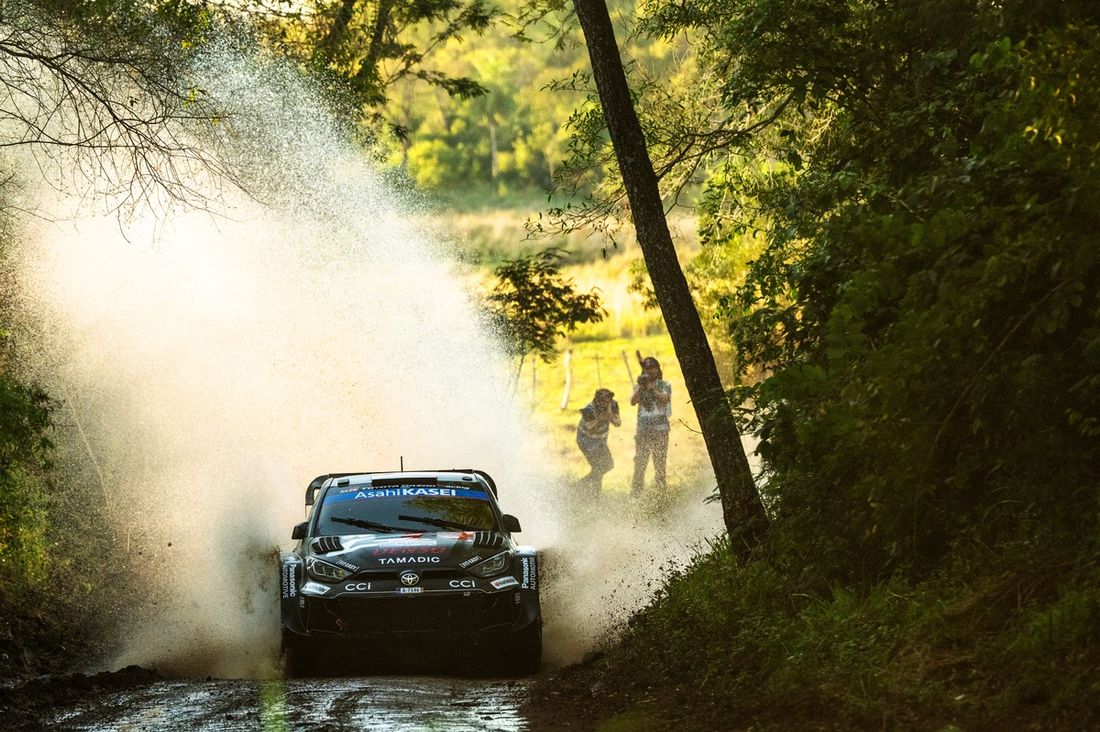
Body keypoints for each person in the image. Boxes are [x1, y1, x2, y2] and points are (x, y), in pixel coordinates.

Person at [630, 356, 671, 494]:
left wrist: (652, 388)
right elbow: (632, 401)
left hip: (661, 430)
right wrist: (642, 387)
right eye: (647, 368)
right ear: (644, 370)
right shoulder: (638, 387)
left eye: (653, 367)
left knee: (660, 464)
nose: (651, 371)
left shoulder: (664, 384)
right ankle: (636, 493)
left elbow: (664, 399)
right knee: (640, 463)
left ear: (658, 369)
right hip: (643, 430)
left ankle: (661, 494)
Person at [576, 388, 621, 493]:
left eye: (607, 401)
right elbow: (590, 430)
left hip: (600, 440)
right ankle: (595, 495)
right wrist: (600, 419)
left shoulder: (613, 405)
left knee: (608, 465)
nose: (604, 404)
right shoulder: (589, 409)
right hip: (586, 440)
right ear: (596, 400)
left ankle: (581, 485)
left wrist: (611, 417)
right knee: (598, 466)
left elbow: (618, 423)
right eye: (602, 401)